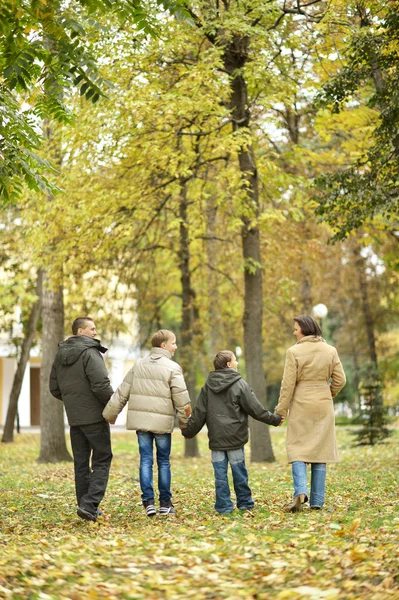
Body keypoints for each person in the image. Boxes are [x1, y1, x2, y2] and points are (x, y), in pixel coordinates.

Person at [182, 350, 284, 515]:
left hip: (216, 437)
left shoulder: (208, 386)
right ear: (229, 364)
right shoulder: (240, 384)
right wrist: (274, 419)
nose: (237, 363)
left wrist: (188, 431)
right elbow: (255, 409)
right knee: (239, 472)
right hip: (235, 436)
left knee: (220, 476)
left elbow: (199, 412)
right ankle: (244, 503)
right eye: (235, 360)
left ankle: (224, 507)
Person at [103, 329, 191, 517]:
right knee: (163, 462)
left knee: (145, 460)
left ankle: (148, 502)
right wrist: (186, 424)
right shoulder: (172, 368)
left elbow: (121, 392)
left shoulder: (138, 365)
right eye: (173, 343)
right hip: (161, 424)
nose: (175, 346)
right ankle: (165, 503)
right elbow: (182, 400)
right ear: (163, 345)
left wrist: (111, 414)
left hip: (141, 424)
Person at [275, 314, 346, 512]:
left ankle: (300, 490)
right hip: (323, 403)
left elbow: (287, 385)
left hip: (301, 403)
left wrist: (281, 410)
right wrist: (328, 393)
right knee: (320, 451)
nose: (294, 331)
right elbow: (341, 380)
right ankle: (317, 501)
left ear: (305, 329)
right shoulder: (330, 350)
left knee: (297, 448)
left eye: (296, 328)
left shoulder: (293, 351)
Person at [50, 317, 114, 522]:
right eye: (92, 329)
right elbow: (101, 385)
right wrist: (112, 406)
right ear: (80, 331)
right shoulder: (90, 352)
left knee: (81, 463)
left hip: (75, 418)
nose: (95, 332)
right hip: (95, 416)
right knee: (102, 459)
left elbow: (55, 388)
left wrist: (73, 402)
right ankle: (89, 504)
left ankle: (85, 507)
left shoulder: (60, 355)